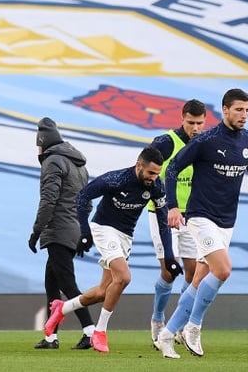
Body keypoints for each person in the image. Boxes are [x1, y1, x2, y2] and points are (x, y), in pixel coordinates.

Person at [153, 88, 248, 359]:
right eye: (239, 109)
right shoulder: (206, 140)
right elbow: (172, 168)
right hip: (201, 216)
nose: (244, 115)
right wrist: (173, 206)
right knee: (223, 270)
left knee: (199, 280)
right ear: (225, 110)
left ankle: (166, 335)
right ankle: (194, 326)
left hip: (227, 220)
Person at [44, 146, 182, 353]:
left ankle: (61, 308)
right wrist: (85, 232)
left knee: (103, 292)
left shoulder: (156, 186)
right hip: (104, 229)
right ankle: (99, 331)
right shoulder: (116, 179)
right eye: (151, 172)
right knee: (124, 277)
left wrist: (169, 256)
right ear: (139, 166)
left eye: (157, 173)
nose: (154, 177)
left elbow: (163, 220)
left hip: (125, 236)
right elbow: (83, 197)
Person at [28, 117, 96, 350]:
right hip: (73, 229)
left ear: (42, 142)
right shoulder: (79, 164)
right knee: (52, 284)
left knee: (68, 284)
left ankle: (90, 332)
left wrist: (36, 231)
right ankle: (51, 337)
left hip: (58, 229)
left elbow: (48, 200)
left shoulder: (52, 162)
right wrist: (82, 231)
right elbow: (86, 201)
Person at [147, 99, 207, 345]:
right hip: (163, 214)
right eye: (191, 123)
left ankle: (177, 325)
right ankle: (158, 318)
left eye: (200, 123)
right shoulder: (166, 142)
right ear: (182, 118)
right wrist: (164, 203)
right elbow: (147, 172)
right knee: (169, 272)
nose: (195, 128)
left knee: (194, 275)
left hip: (192, 216)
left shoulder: (205, 144)